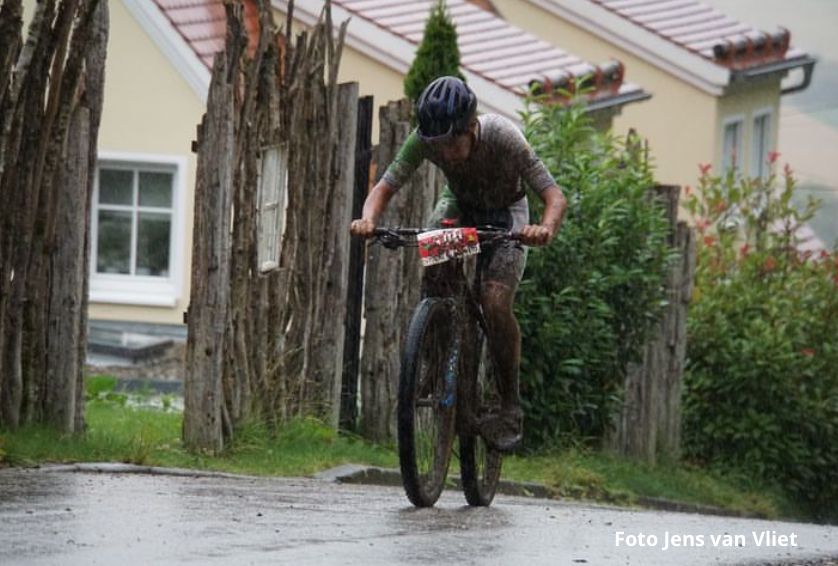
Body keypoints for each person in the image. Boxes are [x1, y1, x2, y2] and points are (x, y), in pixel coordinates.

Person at [350, 76, 567, 451]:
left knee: (495, 301)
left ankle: (509, 406)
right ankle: (435, 353)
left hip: (507, 214)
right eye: (437, 145)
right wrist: (367, 219)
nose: (445, 153)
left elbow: (554, 196)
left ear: (471, 127)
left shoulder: (503, 136)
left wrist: (543, 229)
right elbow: (384, 186)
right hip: (460, 206)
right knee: (433, 260)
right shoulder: (426, 139)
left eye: (452, 143)